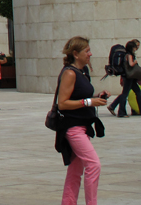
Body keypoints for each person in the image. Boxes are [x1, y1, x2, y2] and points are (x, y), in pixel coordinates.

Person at [55, 36, 108, 205]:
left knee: (75, 170)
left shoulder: (83, 71)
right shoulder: (70, 73)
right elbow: (62, 103)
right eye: (87, 51)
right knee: (94, 164)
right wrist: (89, 102)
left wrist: (97, 97)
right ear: (76, 54)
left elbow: (80, 96)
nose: (90, 54)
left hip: (82, 126)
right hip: (72, 128)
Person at [107, 39, 140, 118]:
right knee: (125, 94)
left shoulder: (127, 54)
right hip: (128, 77)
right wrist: (135, 62)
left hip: (129, 77)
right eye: (136, 46)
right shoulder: (129, 55)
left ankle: (114, 107)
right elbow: (131, 64)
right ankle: (121, 112)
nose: (137, 48)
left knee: (137, 92)